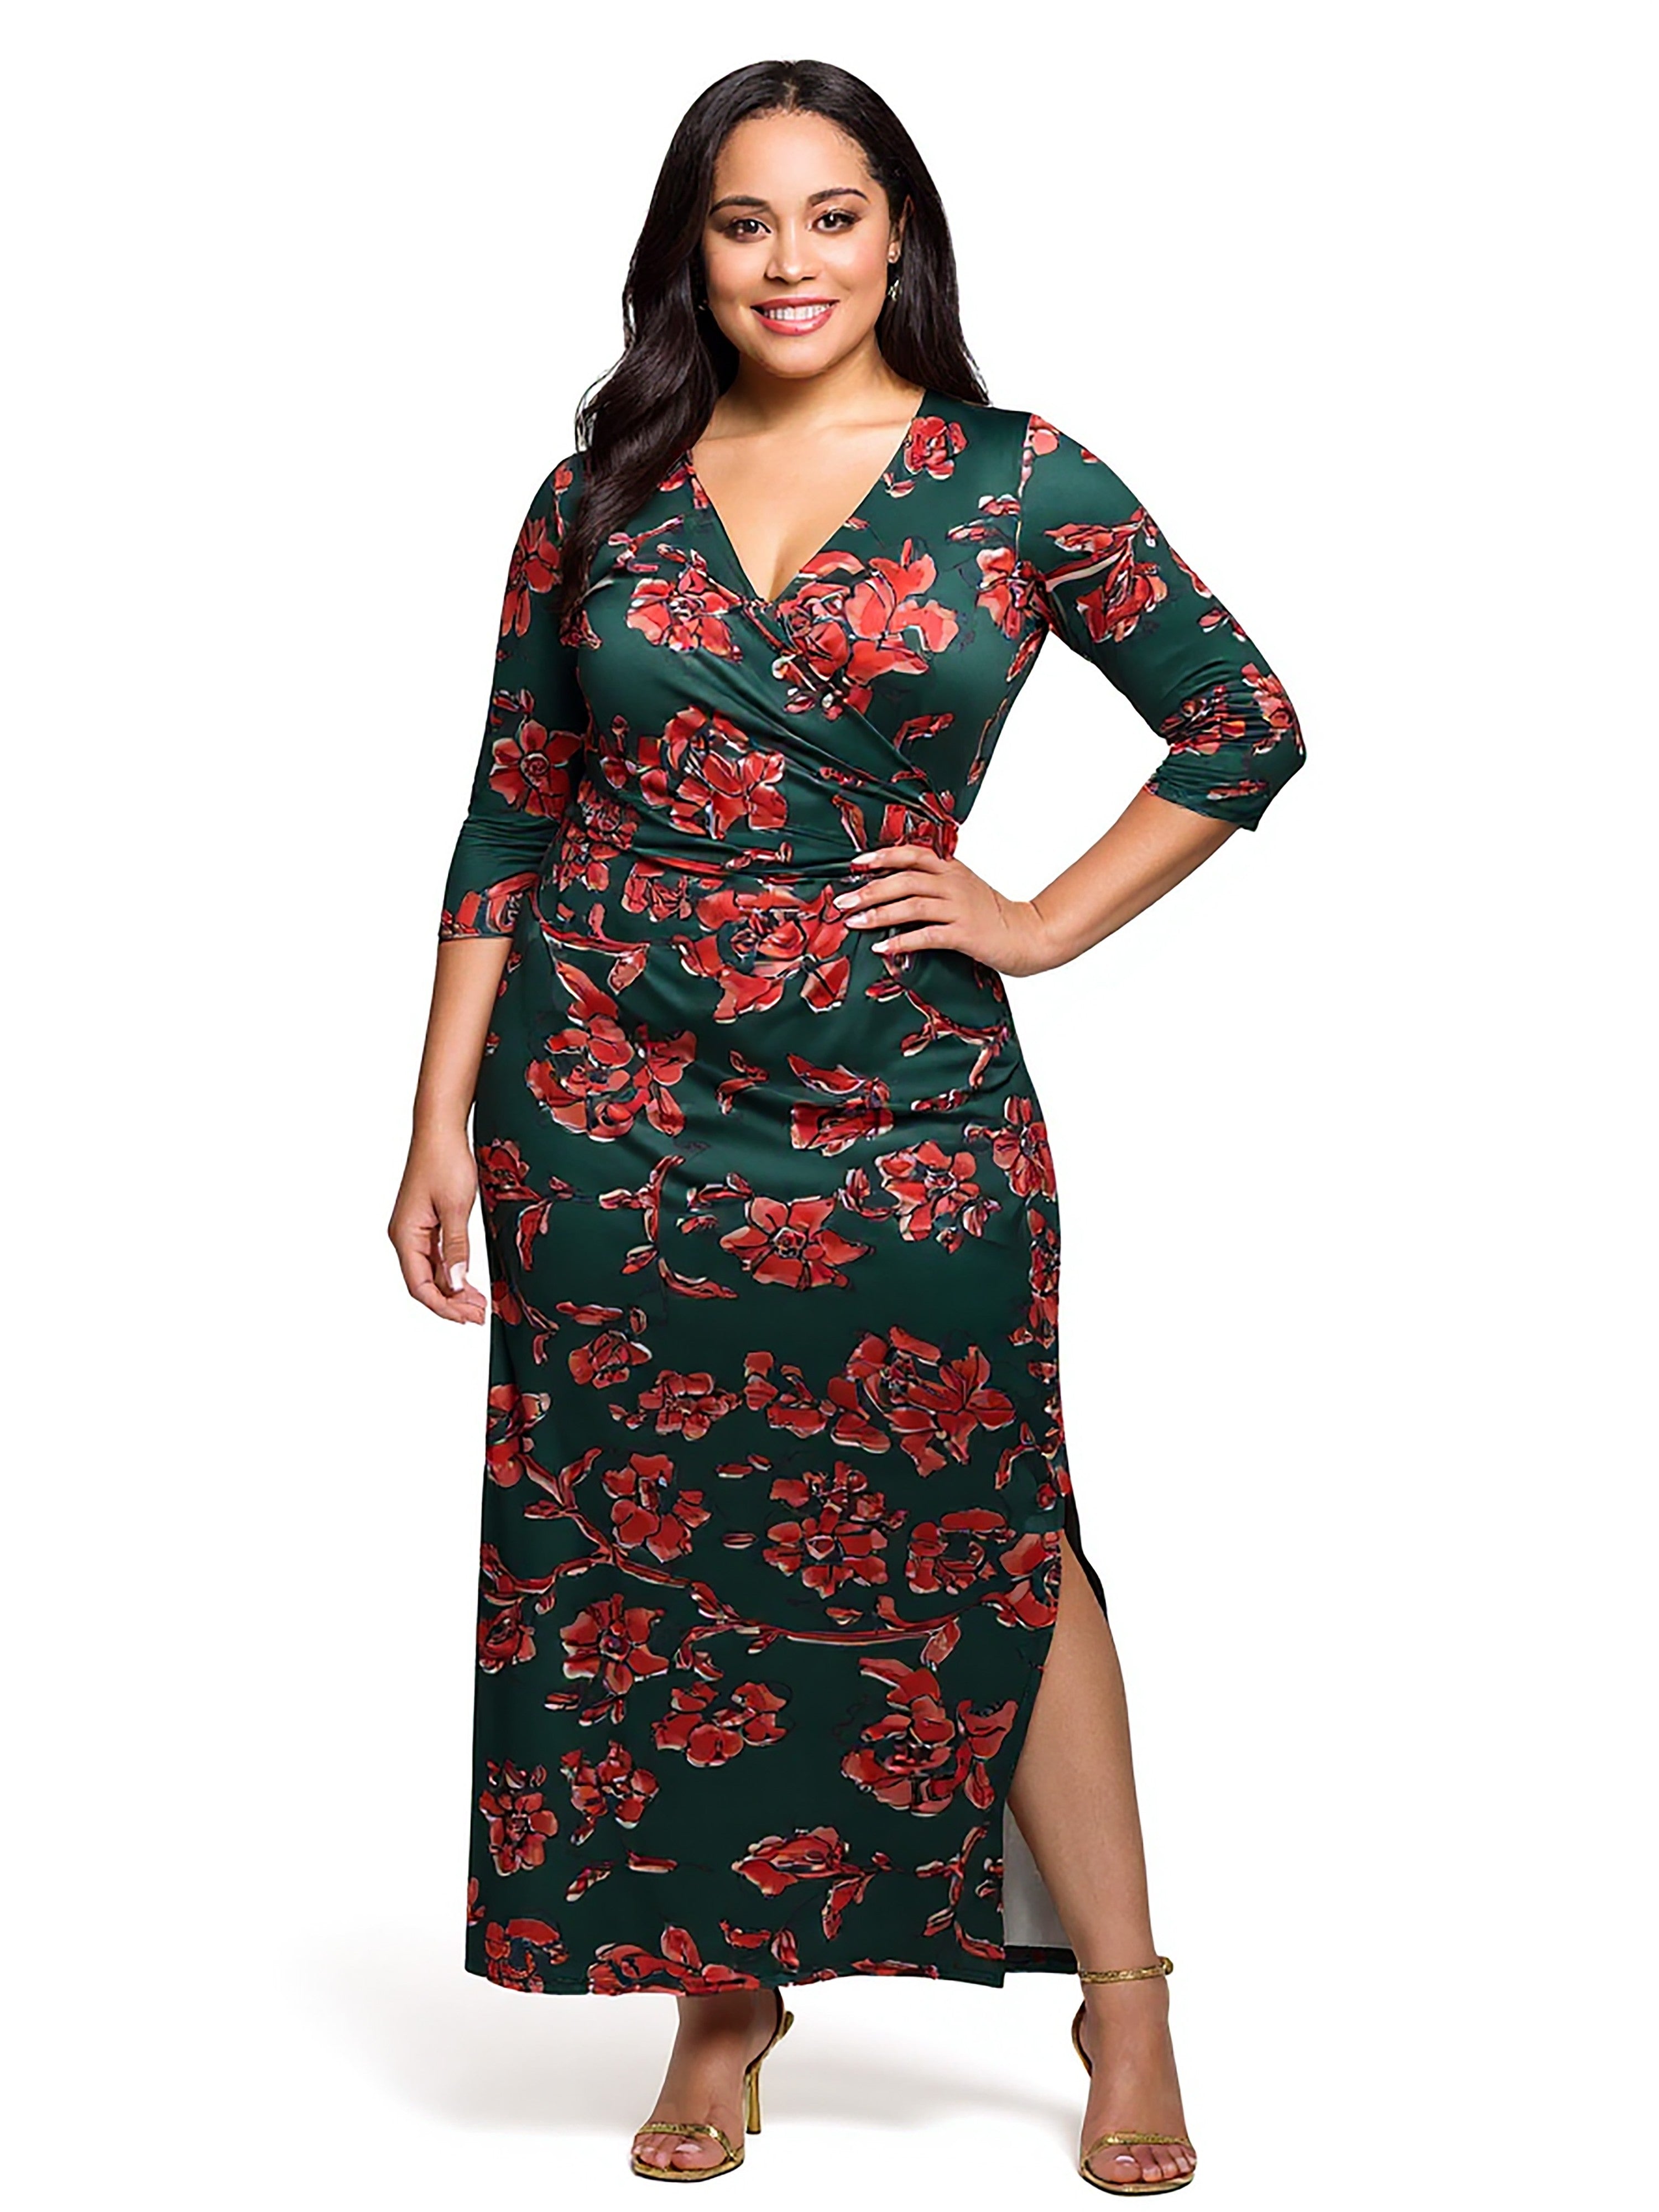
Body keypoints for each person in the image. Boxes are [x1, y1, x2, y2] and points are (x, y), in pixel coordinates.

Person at [389, 55, 1303, 2197]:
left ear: (900, 236)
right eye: (744, 221)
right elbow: (511, 811)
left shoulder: (1019, 478)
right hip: (601, 1097)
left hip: (906, 1093)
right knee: (658, 1541)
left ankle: (1127, 1993)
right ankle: (725, 2000)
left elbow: (1242, 722)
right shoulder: (597, 495)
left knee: (1000, 1521)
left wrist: (1040, 920)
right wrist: (435, 1119)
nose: (788, 261)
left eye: (830, 215)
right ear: (689, 252)